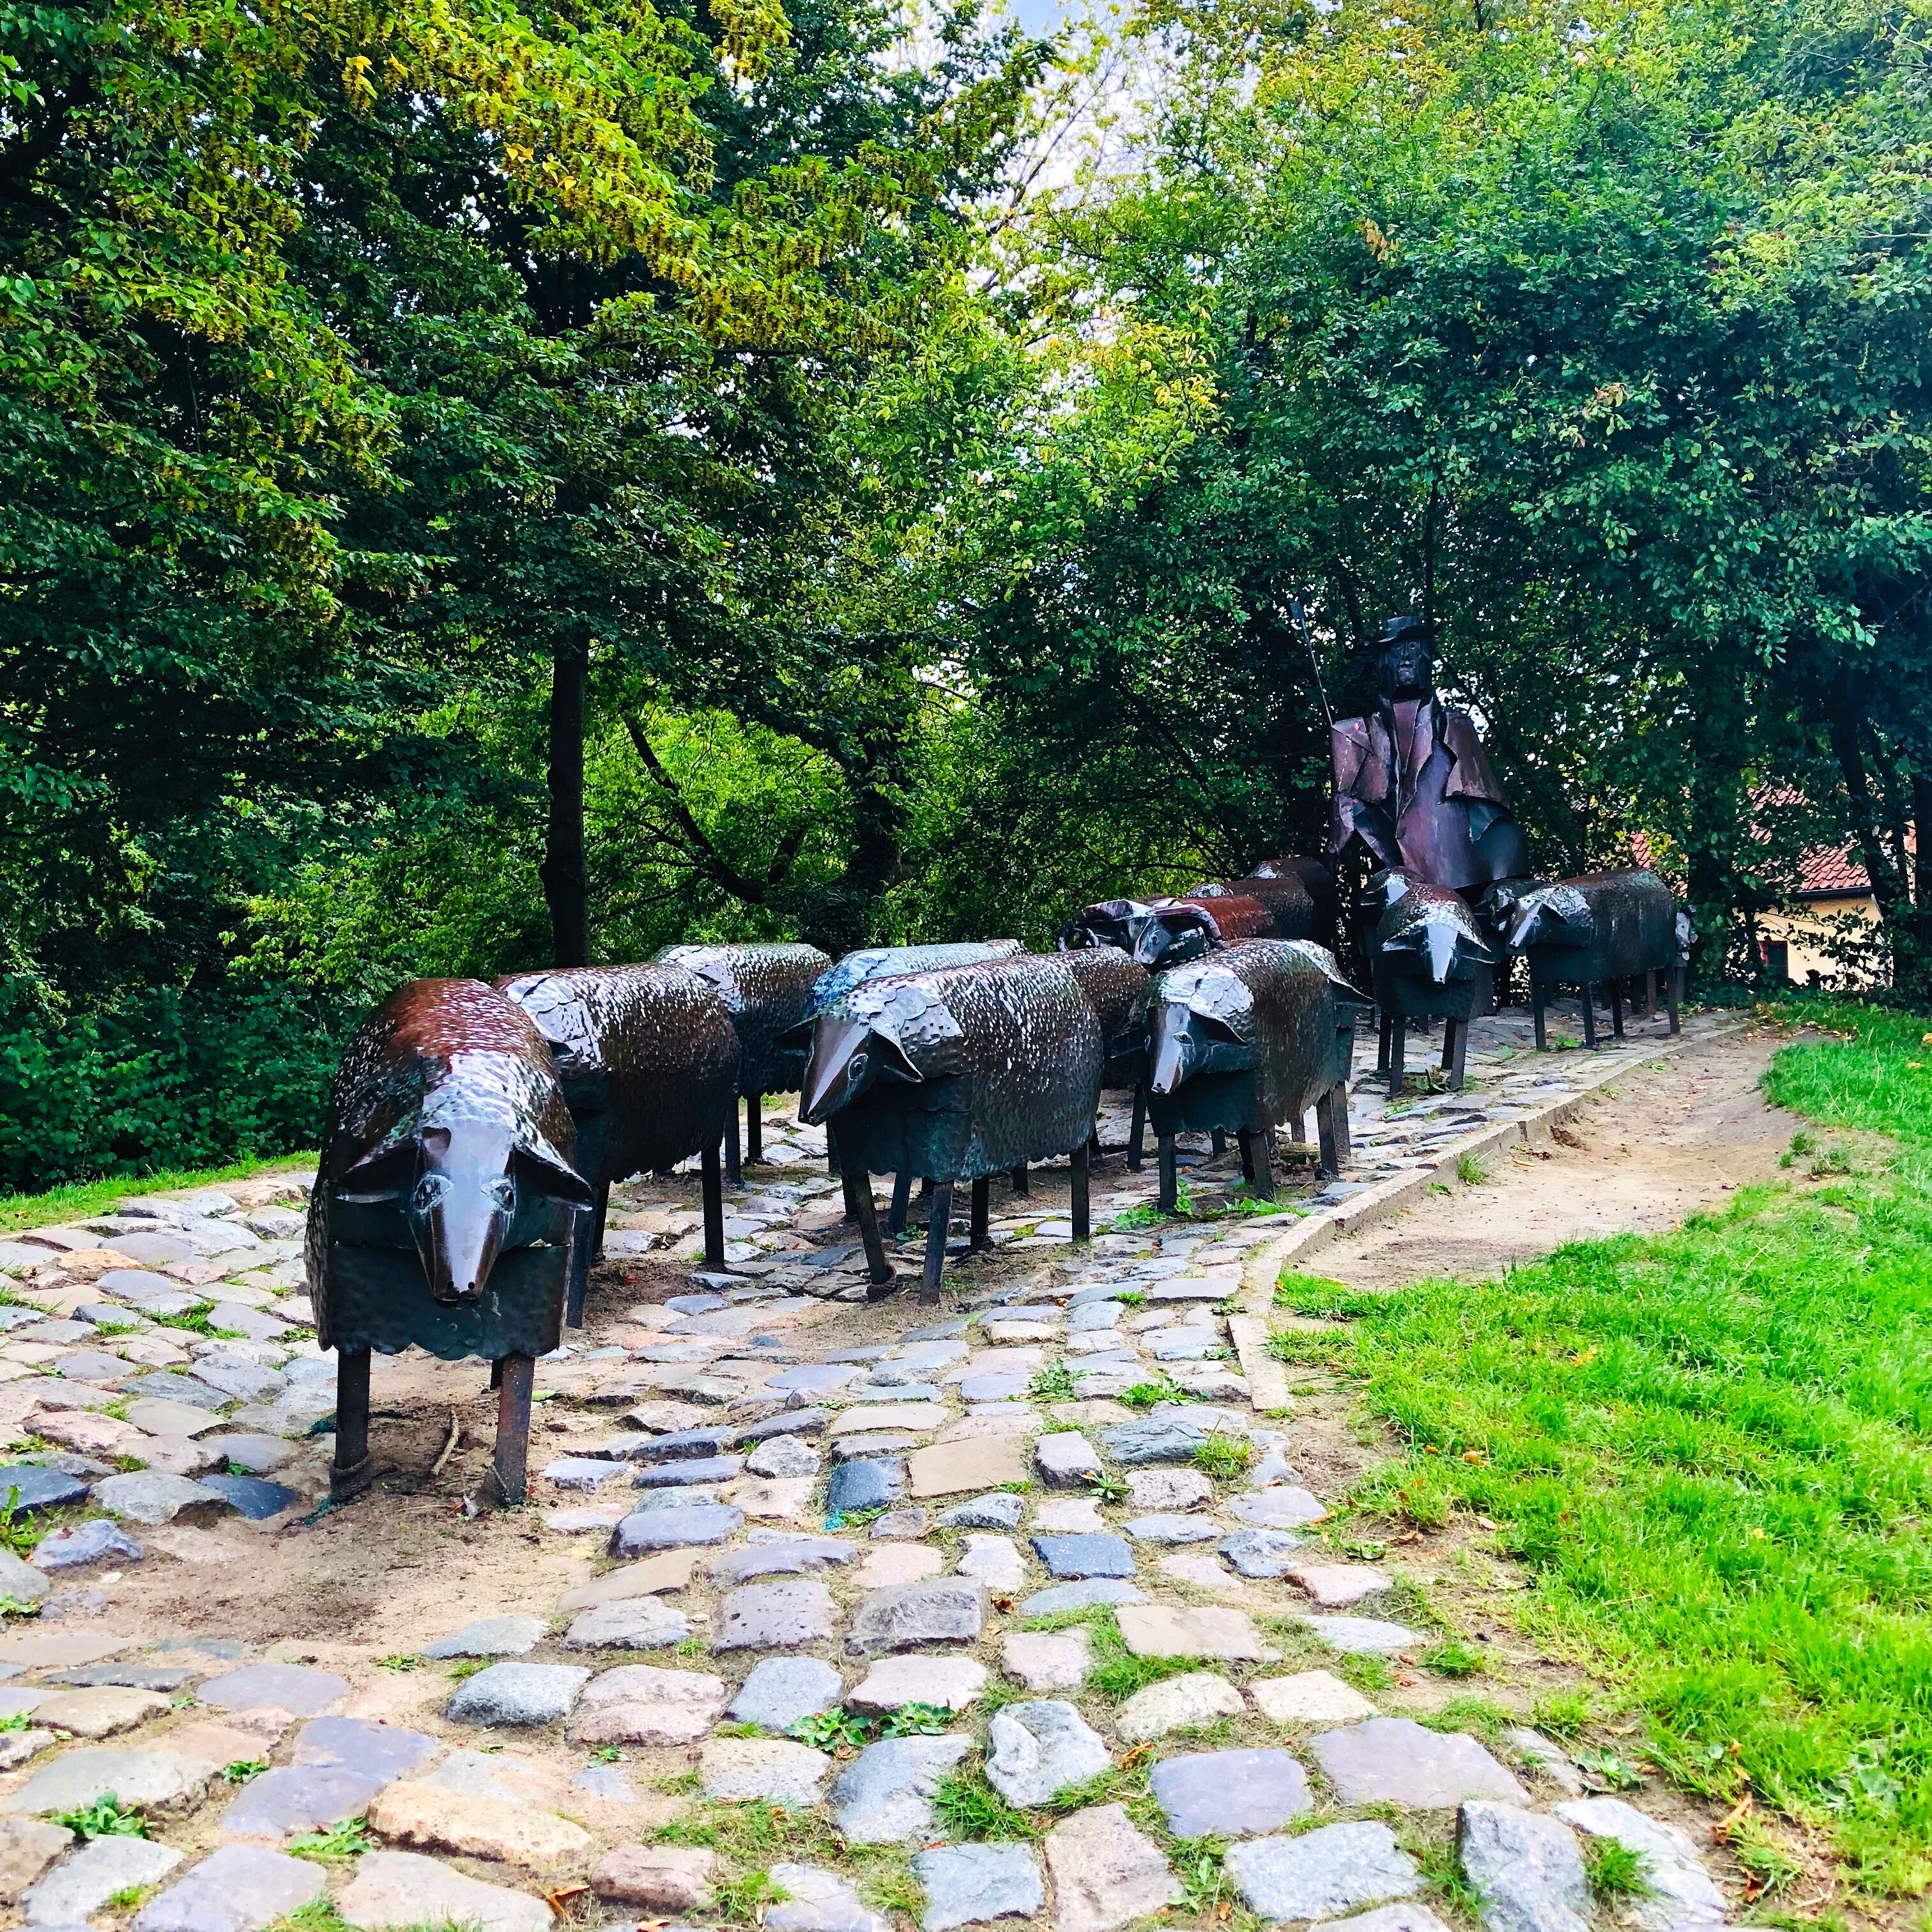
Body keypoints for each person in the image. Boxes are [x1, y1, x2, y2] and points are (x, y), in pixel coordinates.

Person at [1328, 615, 1528, 890]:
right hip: (1401, 879)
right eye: (1397, 649)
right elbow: (1349, 818)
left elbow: (1491, 811)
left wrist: (1500, 873)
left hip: (1461, 874)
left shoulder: (1455, 727)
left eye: (1413, 647)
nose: (1406, 657)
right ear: (1383, 660)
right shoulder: (1355, 737)